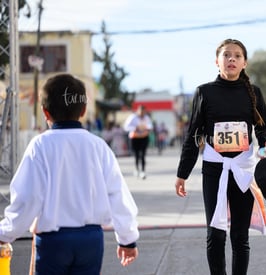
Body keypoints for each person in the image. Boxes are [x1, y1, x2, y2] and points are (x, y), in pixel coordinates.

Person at [0, 74, 139, 274]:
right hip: (91, 239)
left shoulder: (40, 145)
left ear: (45, 112)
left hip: (53, 241)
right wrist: (128, 239)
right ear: (83, 111)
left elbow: (28, 197)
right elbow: (117, 194)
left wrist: (6, 232)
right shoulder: (98, 146)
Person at [175, 39, 266, 275]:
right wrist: (182, 174)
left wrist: (265, 146)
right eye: (226, 55)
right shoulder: (204, 92)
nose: (232, 59)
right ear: (216, 61)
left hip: (243, 169)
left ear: (244, 63)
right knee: (215, 234)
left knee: (240, 235)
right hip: (215, 169)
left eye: (237, 56)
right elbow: (194, 134)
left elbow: (263, 127)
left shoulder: (254, 93)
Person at [123, 105, 153, 179]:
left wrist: (146, 127)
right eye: (141, 111)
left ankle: (143, 171)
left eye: (144, 112)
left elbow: (150, 126)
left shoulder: (146, 118)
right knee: (136, 155)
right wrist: (135, 128)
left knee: (143, 154)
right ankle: (137, 169)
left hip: (144, 137)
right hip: (135, 138)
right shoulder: (132, 117)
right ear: (138, 111)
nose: (142, 113)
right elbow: (126, 127)